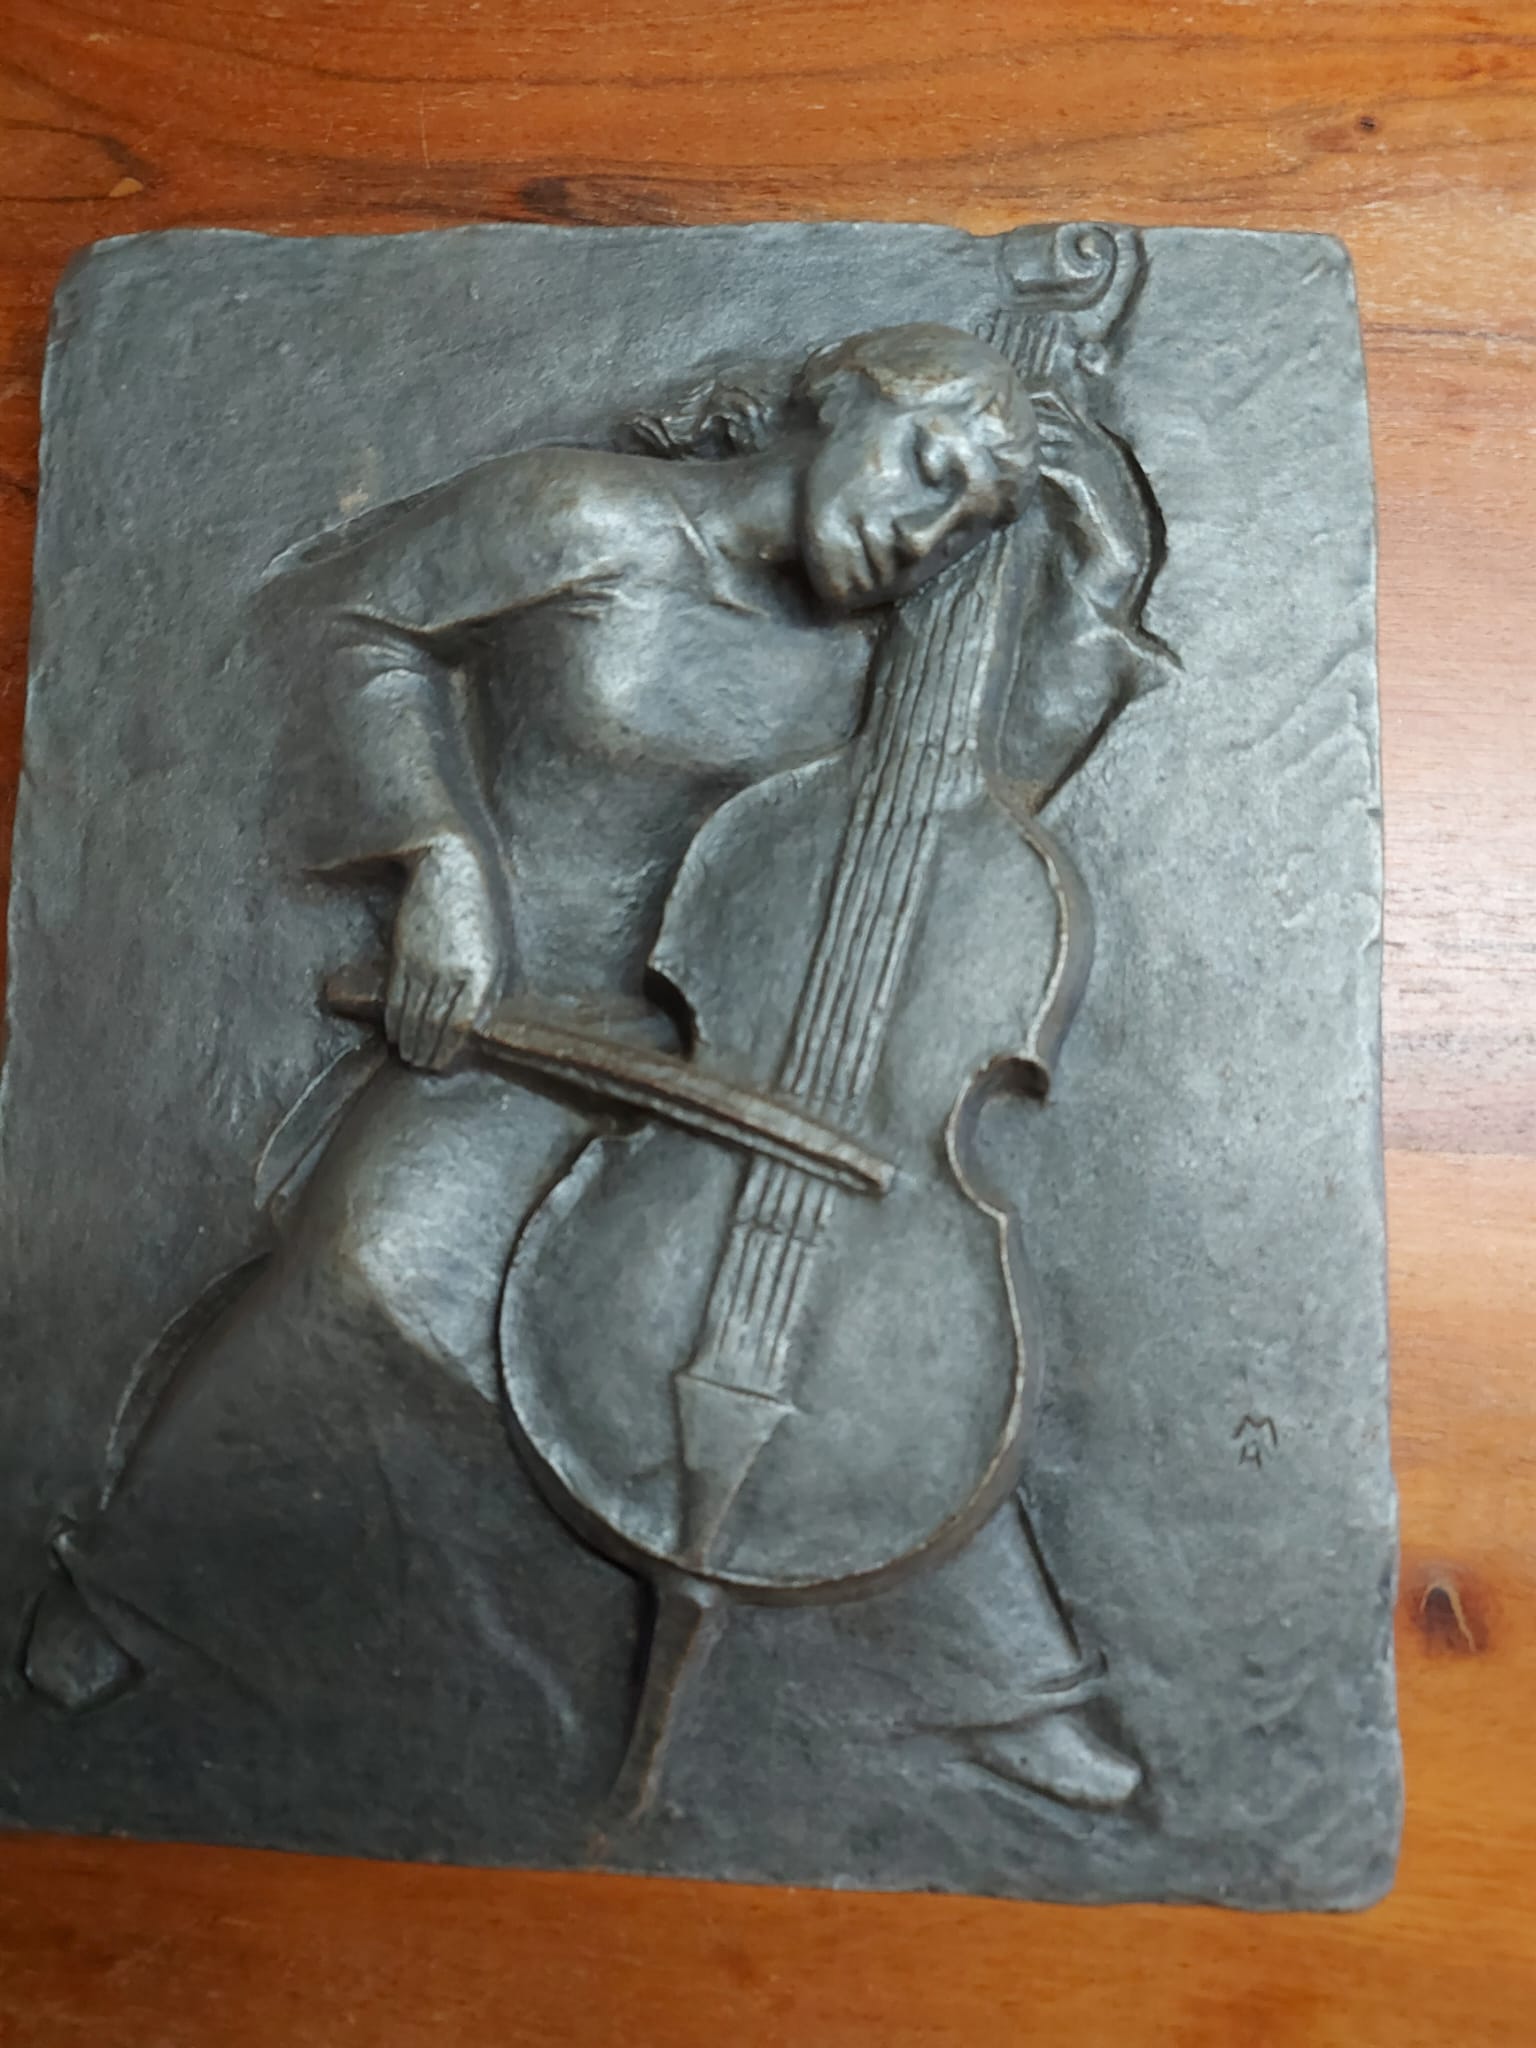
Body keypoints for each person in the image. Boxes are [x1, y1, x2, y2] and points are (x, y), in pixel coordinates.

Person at [23, 323, 1163, 1821]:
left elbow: (970, 825)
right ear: (840, 402)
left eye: (966, 525)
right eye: (928, 468)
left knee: (857, 1344)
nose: (925, 533)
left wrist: (1095, 590)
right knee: (369, 1270)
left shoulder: (896, 663)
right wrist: (437, 859)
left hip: (743, 1062)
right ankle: (136, 1588)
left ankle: (1004, 1692)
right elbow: (350, 623)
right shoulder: (588, 518)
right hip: (516, 1025)